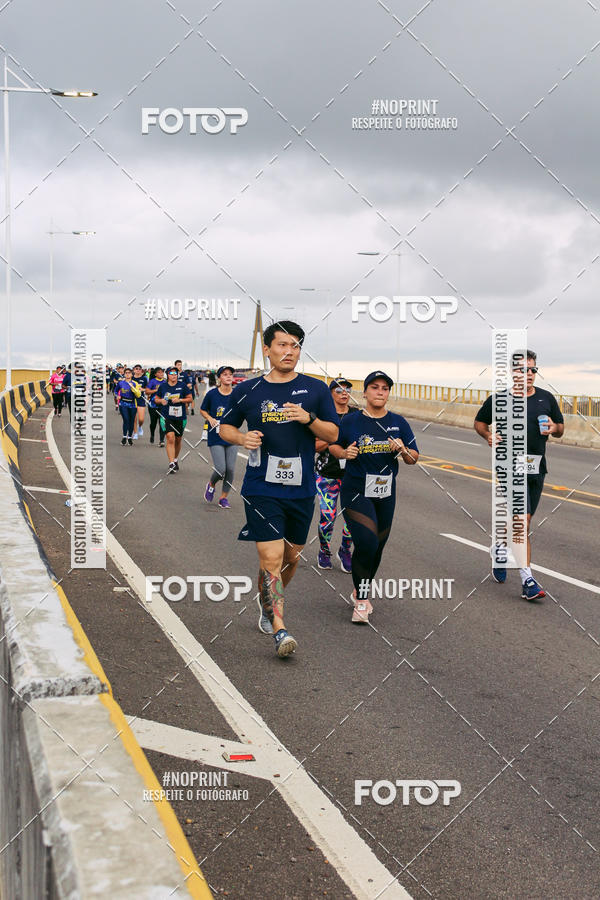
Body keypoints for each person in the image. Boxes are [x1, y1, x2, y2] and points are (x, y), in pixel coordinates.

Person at [220, 321, 338, 658]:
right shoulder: (249, 390)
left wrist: (308, 420)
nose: (289, 352)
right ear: (268, 349)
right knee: (271, 559)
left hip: (301, 489)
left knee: (290, 557)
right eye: (283, 345)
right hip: (261, 486)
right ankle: (280, 628)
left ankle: (265, 600)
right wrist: (242, 437)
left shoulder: (315, 390)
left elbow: (332, 435)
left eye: (296, 346)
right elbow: (224, 426)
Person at [474, 349, 564, 601]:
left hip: (536, 468)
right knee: (521, 524)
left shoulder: (546, 398)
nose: (529, 374)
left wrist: (554, 427)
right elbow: (480, 423)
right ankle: (527, 580)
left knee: (523, 522)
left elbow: (561, 428)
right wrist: (488, 435)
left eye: (533, 370)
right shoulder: (499, 399)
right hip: (509, 467)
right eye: (523, 370)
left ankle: (500, 549)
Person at [329, 371, 419, 624]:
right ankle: (362, 601)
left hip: (385, 492)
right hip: (356, 489)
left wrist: (402, 449)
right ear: (365, 392)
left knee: (377, 546)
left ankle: (361, 588)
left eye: (384, 388)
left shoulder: (399, 422)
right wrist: (345, 452)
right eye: (375, 387)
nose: (380, 392)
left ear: (388, 393)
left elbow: (413, 459)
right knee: (366, 542)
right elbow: (332, 445)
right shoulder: (350, 421)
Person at [315, 377, 355, 572]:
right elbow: (314, 445)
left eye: (347, 389)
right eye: (339, 390)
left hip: (353, 475)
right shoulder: (323, 417)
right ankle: (324, 550)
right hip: (327, 474)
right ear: (330, 394)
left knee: (354, 518)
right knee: (328, 518)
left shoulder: (357, 415)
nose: (344, 393)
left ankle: (345, 550)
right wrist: (334, 438)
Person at [200, 365, 239, 508]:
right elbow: (203, 410)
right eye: (225, 374)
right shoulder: (212, 394)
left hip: (232, 435)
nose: (228, 376)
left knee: (230, 469)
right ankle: (211, 484)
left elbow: (243, 411)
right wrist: (210, 418)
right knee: (221, 468)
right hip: (216, 435)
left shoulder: (237, 394)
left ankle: (223, 498)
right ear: (219, 378)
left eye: (230, 374)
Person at [155, 366, 193, 473]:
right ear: (167, 375)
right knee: (170, 437)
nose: (174, 375)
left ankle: (175, 459)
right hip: (166, 415)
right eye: (171, 373)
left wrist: (180, 399)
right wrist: (161, 401)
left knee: (178, 439)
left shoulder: (183, 386)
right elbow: (156, 399)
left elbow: (190, 398)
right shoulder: (163, 386)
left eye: (175, 373)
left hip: (180, 416)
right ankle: (171, 463)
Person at [116, 367, 141, 445]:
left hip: (133, 404)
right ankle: (124, 437)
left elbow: (138, 395)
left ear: (132, 374)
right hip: (123, 403)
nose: (127, 374)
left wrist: (132, 387)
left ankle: (129, 437)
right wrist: (117, 395)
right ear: (124, 374)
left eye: (129, 373)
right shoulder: (120, 383)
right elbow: (116, 390)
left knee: (131, 421)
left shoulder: (135, 383)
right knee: (126, 420)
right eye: (126, 373)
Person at [146, 366, 165, 445]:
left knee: (162, 423)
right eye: (159, 372)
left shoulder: (165, 382)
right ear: (155, 374)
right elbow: (147, 391)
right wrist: (156, 390)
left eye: (162, 372)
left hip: (163, 406)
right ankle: (152, 435)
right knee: (153, 423)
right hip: (153, 406)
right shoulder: (152, 381)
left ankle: (161, 440)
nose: (161, 374)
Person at [131, 364, 148, 439]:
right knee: (134, 418)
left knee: (141, 419)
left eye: (139, 369)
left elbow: (148, 389)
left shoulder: (144, 379)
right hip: (132, 400)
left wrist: (143, 389)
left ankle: (140, 426)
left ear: (141, 370)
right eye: (136, 368)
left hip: (141, 399)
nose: (138, 370)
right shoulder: (131, 378)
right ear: (134, 370)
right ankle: (135, 433)